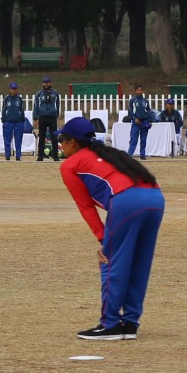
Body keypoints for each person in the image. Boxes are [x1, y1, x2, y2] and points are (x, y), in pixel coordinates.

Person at [56, 116, 164, 341]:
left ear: (73, 143)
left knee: (110, 261)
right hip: (155, 198)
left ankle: (110, 324)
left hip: (127, 201)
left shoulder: (69, 165)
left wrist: (103, 239)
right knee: (138, 263)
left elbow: (85, 206)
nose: (60, 144)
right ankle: (130, 322)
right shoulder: (109, 154)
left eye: (62, 140)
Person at [33, 76, 61, 161]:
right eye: (45, 82)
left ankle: (55, 156)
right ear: (42, 83)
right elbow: (36, 106)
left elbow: (58, 104)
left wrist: (56, 114)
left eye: (47, 82)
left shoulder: (55, 93)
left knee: (54, 137)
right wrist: (35, 118)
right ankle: (40, 156)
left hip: (52, 117)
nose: (46, 84)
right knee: (42, 137)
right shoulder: (39, 94)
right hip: (42, 117)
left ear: (50, 83)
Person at [1, 82, 29, 161]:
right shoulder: (6, 99)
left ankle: (18, 156)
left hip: (18, 122)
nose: (14, 90)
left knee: (18, 139)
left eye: (15, 89)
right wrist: (4, 119)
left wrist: (22, 118)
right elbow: (4, 109)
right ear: (10, 89)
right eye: (13, 89)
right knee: (7, 139)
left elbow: (21, 109)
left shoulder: (19, 99)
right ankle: (7, 155)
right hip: (8, 122)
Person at [125, 84, 153, 159]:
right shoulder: (132, 101)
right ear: (135, 91)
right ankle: (129, 156)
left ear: (142, 91)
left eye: (141, 90)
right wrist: (134, 118)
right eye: (138, 90)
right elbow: (130, 112)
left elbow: (149, 111)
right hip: (136, 122)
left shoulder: (145, 101)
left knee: (143, 140)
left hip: (144, 122)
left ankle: (142, 155)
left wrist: (150, 121)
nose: (140, 91)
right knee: (133, 140)